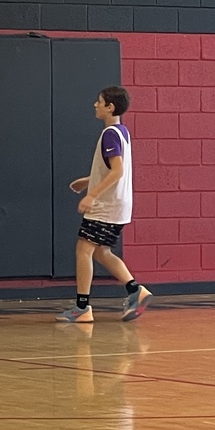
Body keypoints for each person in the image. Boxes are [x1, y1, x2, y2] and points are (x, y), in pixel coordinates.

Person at [56, 85, 152, 324]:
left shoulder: (110, 134)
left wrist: (92, 195)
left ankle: (82, 308)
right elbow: (112, 169)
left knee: (83, 250)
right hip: (119, 205)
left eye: (99, 101)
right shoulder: (122, 131)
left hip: (106, 206)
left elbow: (117, 171)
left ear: (110, 107)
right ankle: (135, 290)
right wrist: (88, 181)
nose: (95, 105)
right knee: (101, 251)